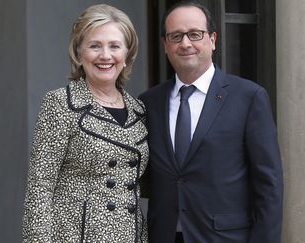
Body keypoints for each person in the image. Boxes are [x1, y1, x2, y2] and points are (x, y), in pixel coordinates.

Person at [139, 1, 283, 243]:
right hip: (163, 235)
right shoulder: (149, 103)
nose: (185, 44)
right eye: (176, 36)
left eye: (195, 34)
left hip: (225, 237)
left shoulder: (248, 97)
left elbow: (268, 185)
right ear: (165, 44)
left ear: (212, 39)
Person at [22, 4, 148, 243]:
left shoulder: (138, 110)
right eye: (94, 46)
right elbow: (40, 187)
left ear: (127, 54)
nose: (105, 56)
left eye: (114, 46)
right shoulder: (60, 103)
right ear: (79, 54)